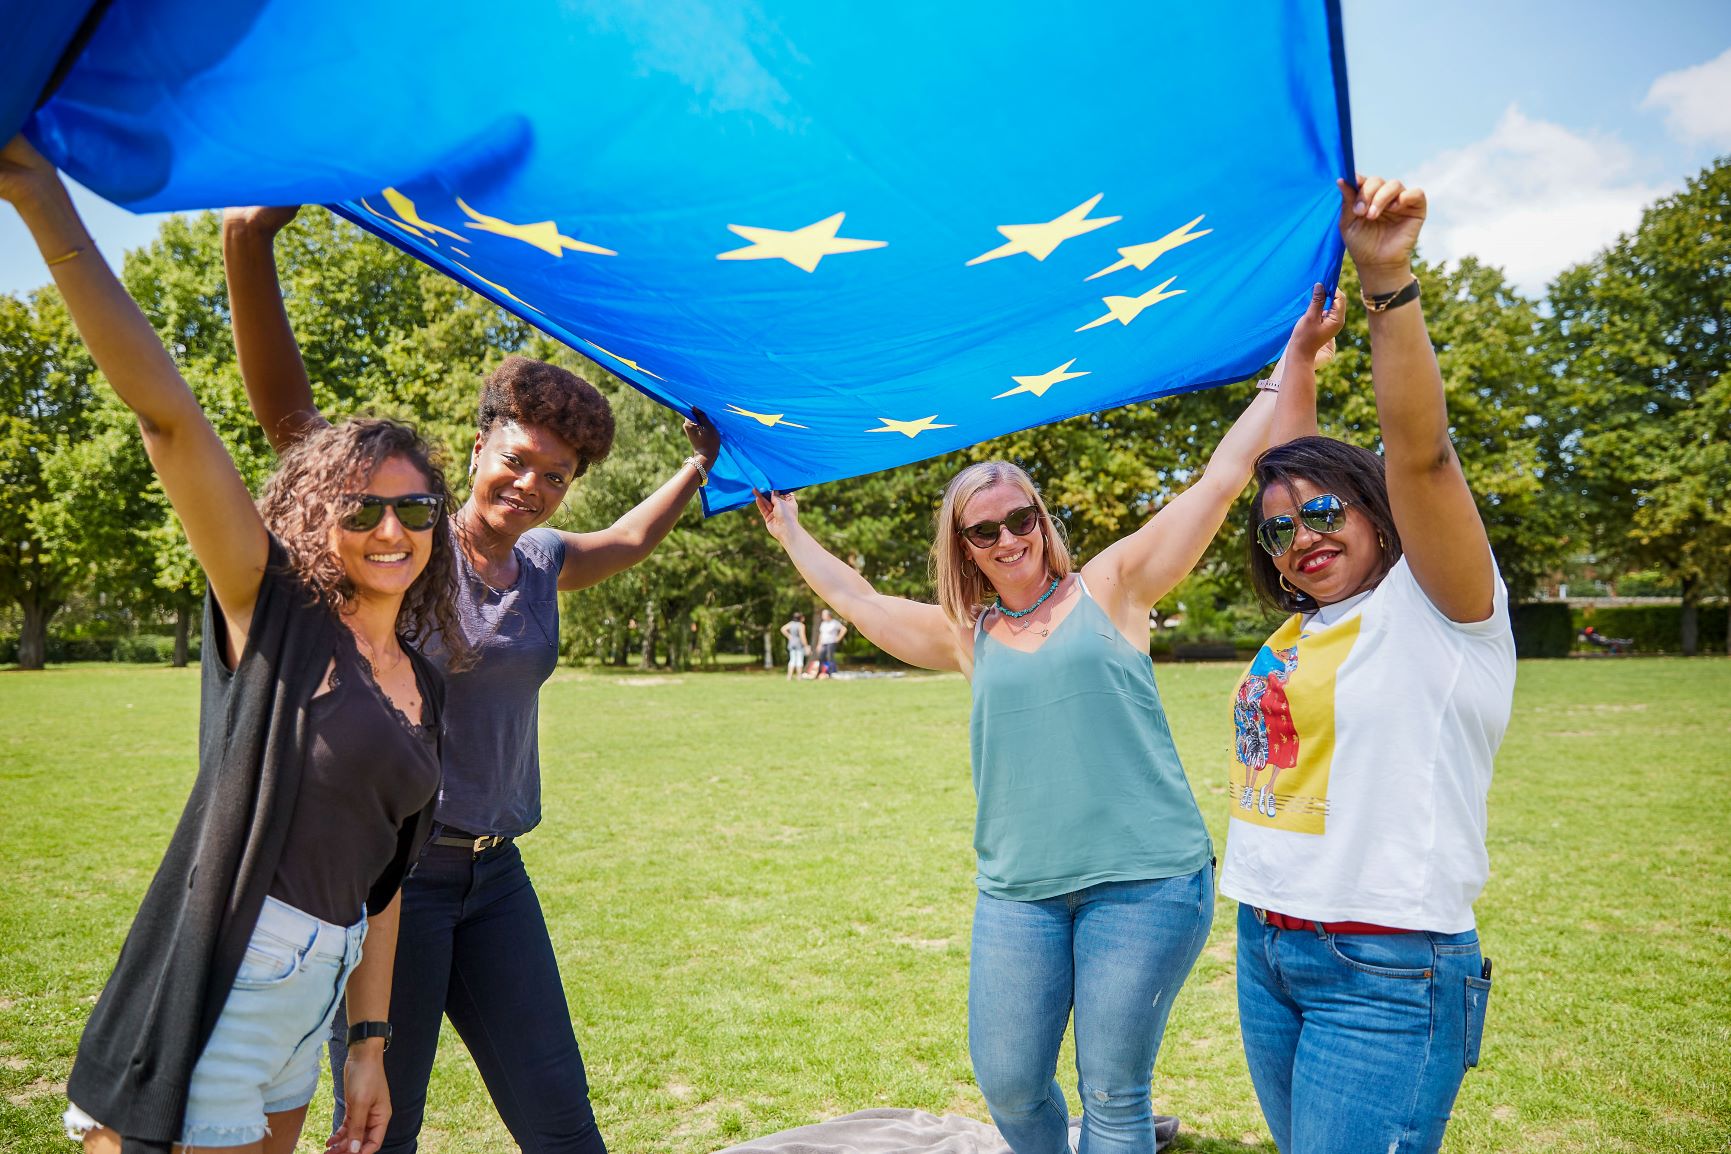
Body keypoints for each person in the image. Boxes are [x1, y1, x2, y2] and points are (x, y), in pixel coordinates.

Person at [754, 289, 1342, 1153]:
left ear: (1041, 520)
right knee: (1011, 1081)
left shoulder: (1113, 587)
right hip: (1019, 894)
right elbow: (856, 595)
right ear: (965, 547)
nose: (1006, 537)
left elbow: (1219, 484)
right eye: (982, 529)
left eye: (1019, 517)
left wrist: (1283, 377)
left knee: (1111, 1091)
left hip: (1143, 883)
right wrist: (788, 529)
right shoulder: (966, 637)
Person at [222, 205, 722, 1154]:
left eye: (557, 474)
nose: (532, 485)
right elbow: (296, 429)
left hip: (496, 879)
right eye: (516, 460)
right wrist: (249, 246)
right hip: (390, 884)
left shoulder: (540, 562)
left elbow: (627, 541)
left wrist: (698, 467)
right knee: (382, 1133)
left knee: (565, 1129)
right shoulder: (401, 542)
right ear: (479, 445)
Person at [2, 135, 459, 1154]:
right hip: (219, 985)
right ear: (312, 518)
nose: (393, 530)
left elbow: (385, 881)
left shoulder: (426, 682)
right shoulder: (276, 613)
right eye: (362, 508)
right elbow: (168, 418)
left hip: (316, 999)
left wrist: (370, 1041)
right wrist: (37, 195)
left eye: (416, 507)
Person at [1223, 176, 1516, 1154]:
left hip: (1387, 966)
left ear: (1376, 509)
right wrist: (1300, 355)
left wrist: (1385, 280)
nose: (1298, 537)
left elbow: (1420, 455)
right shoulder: (1307, 626)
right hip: (1268, 946)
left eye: (1324, 513)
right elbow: (1285, 461)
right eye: (1277, 533)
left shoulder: (1435, 604)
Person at [813, 608, 847, 677]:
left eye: (823, 615)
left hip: (831, 642)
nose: (822, 616)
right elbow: (821, 635)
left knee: (830, 657)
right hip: (824, 643)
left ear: (828, 615)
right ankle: (821, 671)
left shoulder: (834, 622)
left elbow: (844, 629)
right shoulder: (823, 624)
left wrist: (838, 638)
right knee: (821, 657)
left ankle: (831, 672)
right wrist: (819, 644)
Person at [780, 612, 809, 679]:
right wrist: (806, 646)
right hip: (799, 644)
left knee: (792, 660)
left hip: (791, 644)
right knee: (799, 660)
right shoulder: (801, 625)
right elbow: (802, 636)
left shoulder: (791, 624)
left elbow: (783, 629)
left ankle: (789, 676)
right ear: (800, 618)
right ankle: (799, 676)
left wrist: (789, 636)